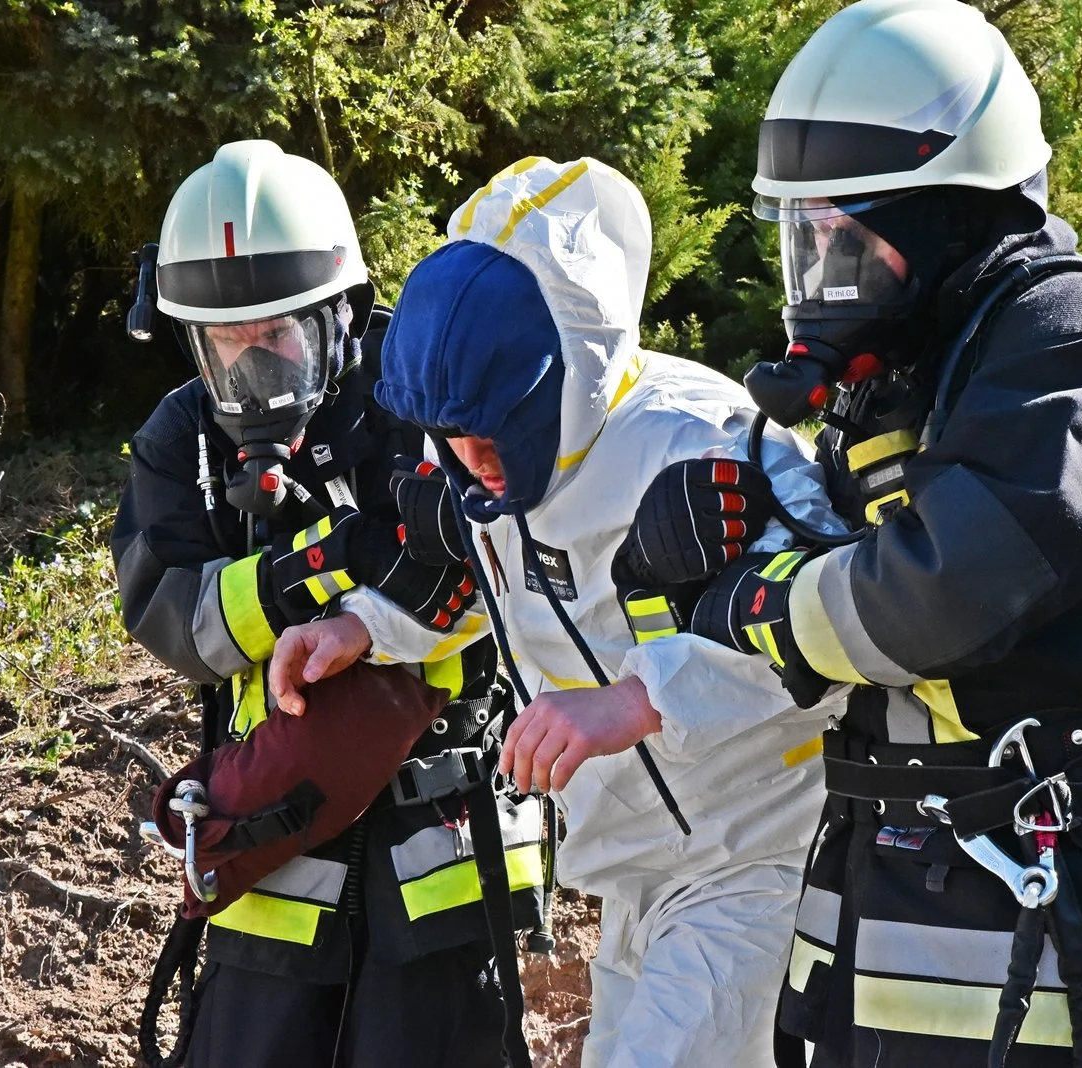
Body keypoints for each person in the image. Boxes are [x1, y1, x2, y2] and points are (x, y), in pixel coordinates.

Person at [620, 2, 1082, 1066]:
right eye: (806, 236)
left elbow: (941, 594)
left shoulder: (1076, 344)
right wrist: (671, 571)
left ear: (954, 214)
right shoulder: (914, 371)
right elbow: (801, 640)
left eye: (850, 236)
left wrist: (763, 602)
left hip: (1074, 935)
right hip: (913, 892)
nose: (823, 273)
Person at [268, 156, 845, 1068]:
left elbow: (829, 618)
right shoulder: (485, 463)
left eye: (490, 427)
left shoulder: (700, 443)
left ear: (564, 372)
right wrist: (359, 629)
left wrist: (631, 702)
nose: (471, 457)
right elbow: (489, 591)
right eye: (450, 433)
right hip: (634, 875)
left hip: (757, 858)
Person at [111, 139, 542, 1068]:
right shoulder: (181, 438)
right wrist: (316, 569)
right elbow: (171, 611)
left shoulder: (421, 391)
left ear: (343, 313)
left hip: (441, 831)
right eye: (227, 345)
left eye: (278, 337)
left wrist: (360, 587)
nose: (254, 367)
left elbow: (486, 546)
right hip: (278, 835)